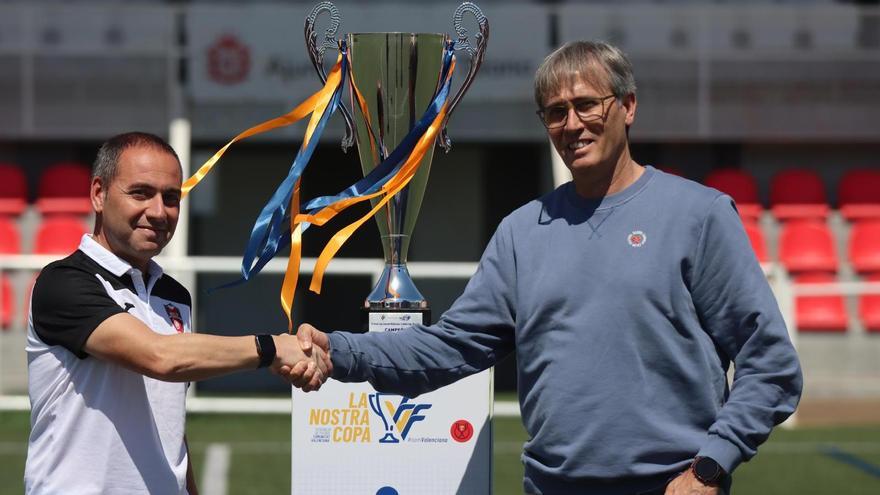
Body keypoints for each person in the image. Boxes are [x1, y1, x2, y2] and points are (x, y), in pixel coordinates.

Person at [291, 41, 802, 495]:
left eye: (586, 105)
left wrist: (710, 468)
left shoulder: (699, 216)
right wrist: (341, 351)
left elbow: (771, 365)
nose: (572, 124)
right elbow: (450, 347)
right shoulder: (522, 232)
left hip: (674, 485)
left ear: (627, 107)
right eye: (555, 112)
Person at [24, 132, 327, 494]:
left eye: (171, 198)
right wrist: (272, 348)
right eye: (140, 193)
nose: (158, 212)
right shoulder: (63, 284)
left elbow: (169, 425)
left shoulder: (174, 294)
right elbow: (160, 356)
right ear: (98, 194)